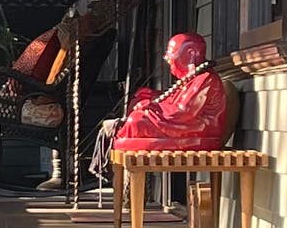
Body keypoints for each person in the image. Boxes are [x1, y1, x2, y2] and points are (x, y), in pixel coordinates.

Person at [93, 32, 233, 182]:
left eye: (171, 55)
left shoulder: (206, 79)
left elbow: (183, 112)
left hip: (199, 130)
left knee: (136, 121)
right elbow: (174, 102)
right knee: (137, 110)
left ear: (190, 54)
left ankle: (123, 130)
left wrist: (152, 107)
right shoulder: (193, 78)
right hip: (184, 125)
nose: (168, 60)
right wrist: (151, 97)